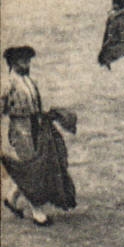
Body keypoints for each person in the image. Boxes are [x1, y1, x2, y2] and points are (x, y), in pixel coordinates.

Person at [1, 46, 76, 227]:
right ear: (13, 63)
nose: (27, 64)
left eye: (28, 60)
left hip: (35, 125)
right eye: (23, 61)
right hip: (20, 128)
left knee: (38, 165)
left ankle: (12, 197)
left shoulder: (28, 81)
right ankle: (37, 212)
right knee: (33, 168)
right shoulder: (7, 84)